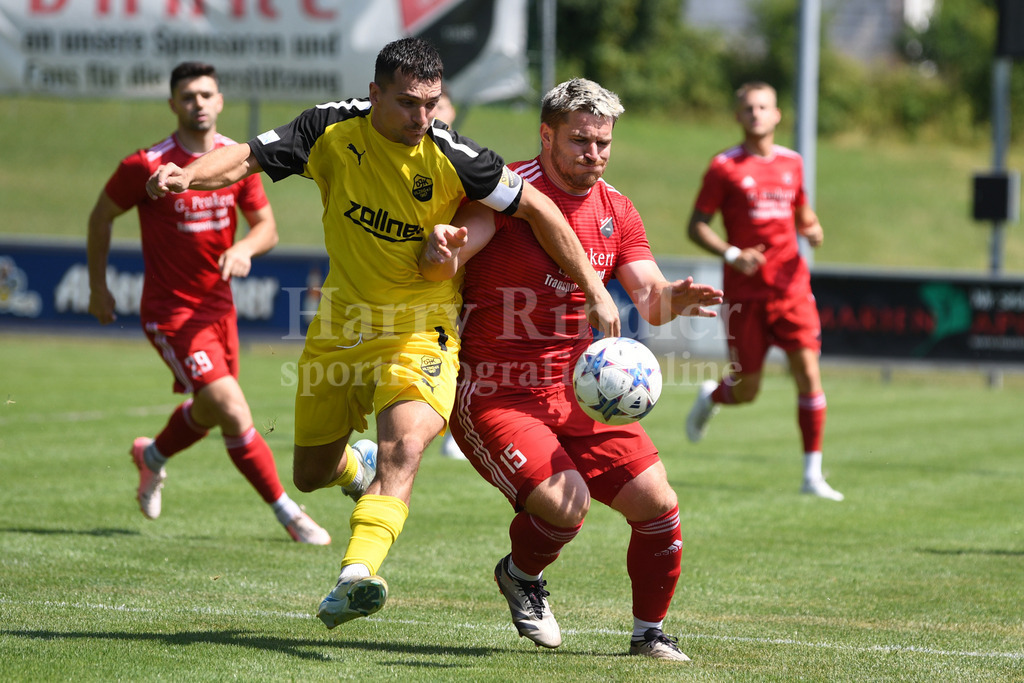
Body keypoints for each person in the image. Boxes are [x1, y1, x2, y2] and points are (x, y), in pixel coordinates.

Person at [145, 38, 620, 630]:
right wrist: (185, 178)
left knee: (406, 447)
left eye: (431, 103)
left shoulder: (453, 153)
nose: (422, 118)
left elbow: (538, 211)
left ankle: (355, 575)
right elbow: (244, 159)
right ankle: (354, 469)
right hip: (340, 327)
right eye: (407, 104)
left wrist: (595, 289)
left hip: (423, 326)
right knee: (311, 474)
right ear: (374, 95)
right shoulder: (328, 130)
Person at [421, 78, 723, 661]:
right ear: (546, 135)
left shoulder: (617, 210)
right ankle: (520, 574)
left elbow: (650, 298)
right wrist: (446, 248)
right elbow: (452, 257)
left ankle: (648, 635)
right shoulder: (504, 191)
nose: (595, 154)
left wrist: (673, 299)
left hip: (578, 394)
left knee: (658, 504)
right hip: (496, 393)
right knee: (567, 505)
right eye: (581, 140)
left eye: (604, 142)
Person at [86, 61, 331, 545]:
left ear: (220, 101)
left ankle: (152, 456)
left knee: (211, 407)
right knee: (233, 409)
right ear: (173, 104)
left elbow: (267, 228)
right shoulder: (146, 164)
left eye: (206, 94)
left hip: (220, 311)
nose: (198, 103)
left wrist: (244, 248)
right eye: (188, 96)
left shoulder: (235, 161)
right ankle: (289, 513)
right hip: (171, 313)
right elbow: (101, 216)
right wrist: (98, 286)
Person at [684, 81, 843, 501]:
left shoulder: (793, 163)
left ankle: (812, 475)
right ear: (738, 117)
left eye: (764, 107)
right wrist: (733, 253)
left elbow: (803, 212)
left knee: (808, 373)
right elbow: (696, 225)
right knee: (747, 390)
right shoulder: (724, 167)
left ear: (776, 116)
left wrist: (812, 226)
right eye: (748, 108)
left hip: (792, 289)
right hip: (745, 295)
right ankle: (713, 395)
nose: (756, 113)